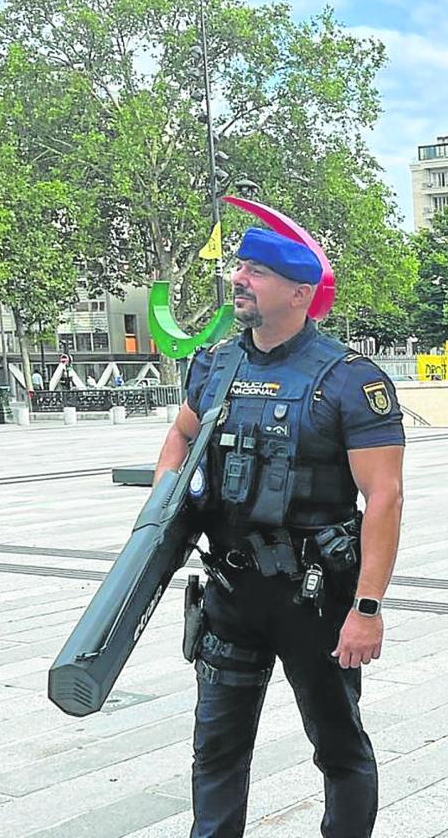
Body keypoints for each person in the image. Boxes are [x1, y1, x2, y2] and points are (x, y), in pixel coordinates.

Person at [153, 227, 405, 838]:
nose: (239, 279)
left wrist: (367, 608)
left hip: (314, 598)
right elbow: (183, 434)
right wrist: (166, 501)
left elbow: (385, 496)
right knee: (215, 749)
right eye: (240, 268)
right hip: (231, 594)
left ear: (300, 293)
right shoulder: (214, 363)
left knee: (339, 747)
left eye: (256, 272)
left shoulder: (351, 380)